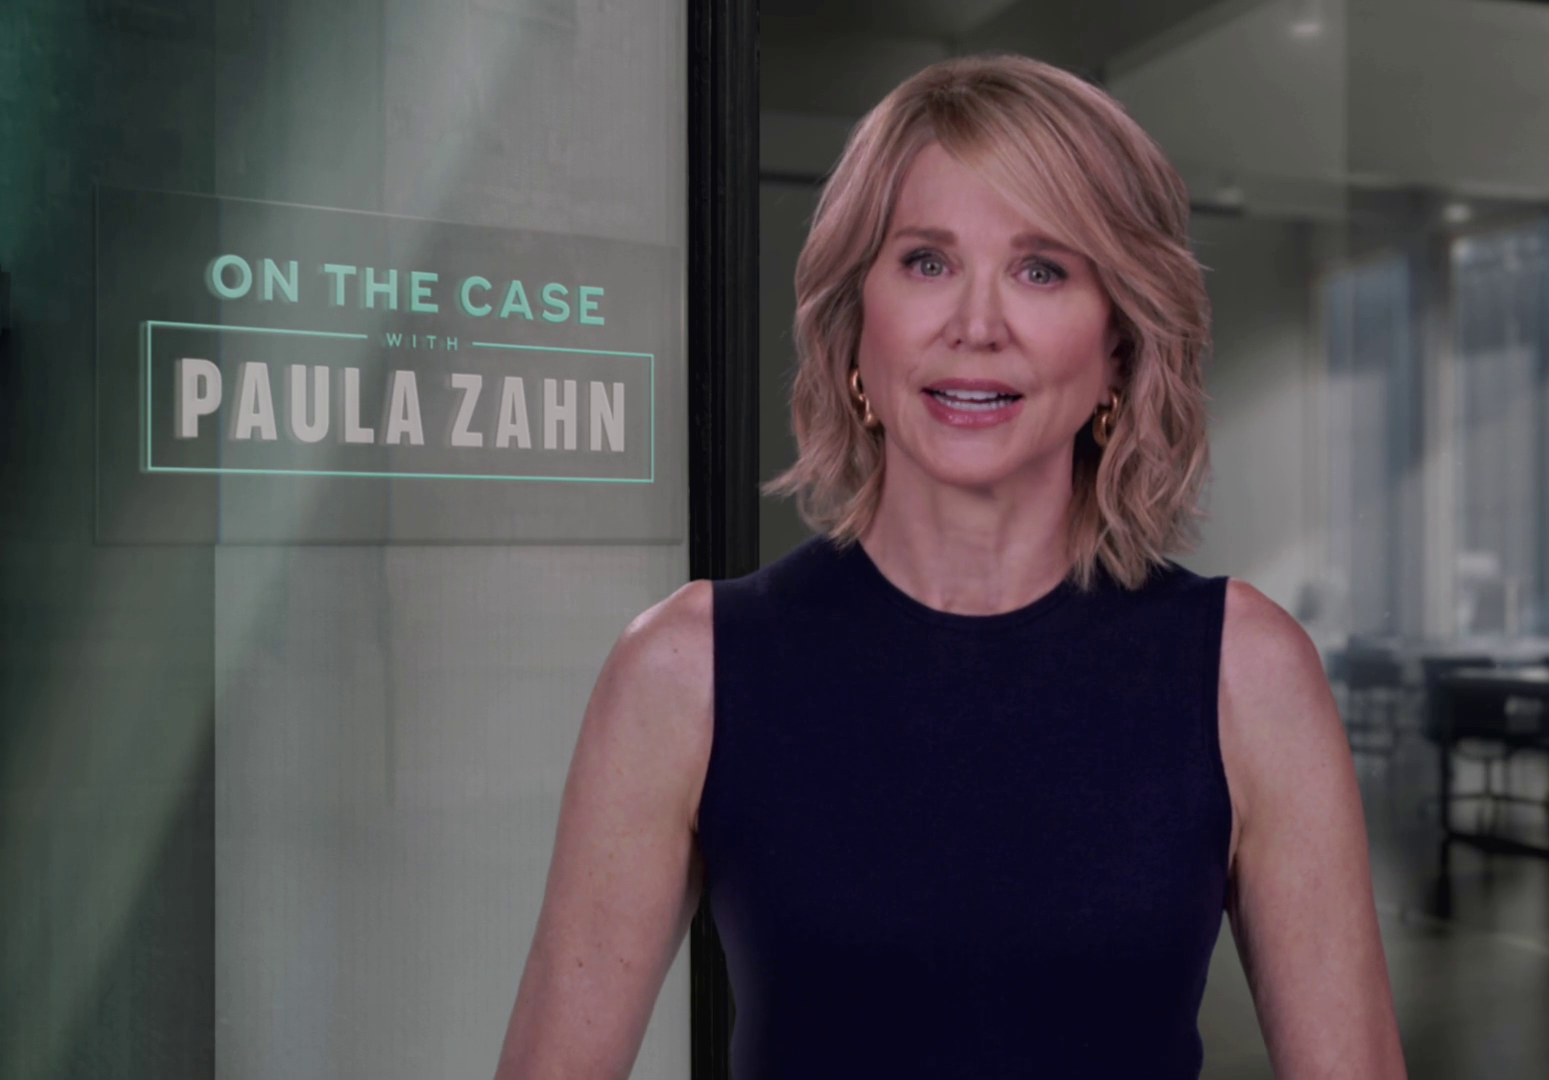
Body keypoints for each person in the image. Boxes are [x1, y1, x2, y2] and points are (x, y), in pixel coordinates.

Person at [495, 53, 1404, 1079]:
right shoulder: (683, 671)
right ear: (854, 326)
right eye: (927, 261)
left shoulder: (1248, 673)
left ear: (1119, 346)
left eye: (1042, 269)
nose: (976, 326)